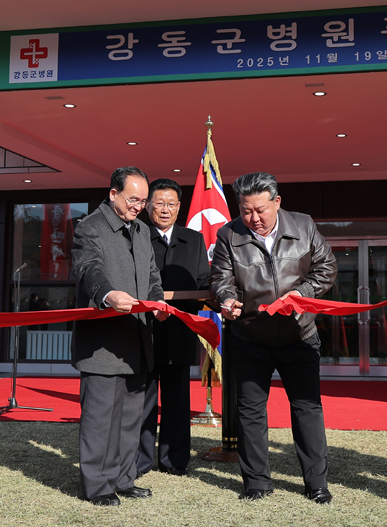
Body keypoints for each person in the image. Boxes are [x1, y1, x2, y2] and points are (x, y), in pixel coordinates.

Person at [210, 172, 337, 503]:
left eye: (261, 210)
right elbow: (220, 278)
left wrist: (301, 295)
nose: (254, 219)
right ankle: (256, 482)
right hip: (250, 336)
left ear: (277, 203)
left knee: (307, 408)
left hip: (300, 334)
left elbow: (326, 268)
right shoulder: (228, 234)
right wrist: (226, 300)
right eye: (246, 210)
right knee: (250, 411)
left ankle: (317, 484)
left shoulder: (304, 225)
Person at [71, 166, 168, 506]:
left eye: (143, 201)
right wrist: (108, 294)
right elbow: (88, 269)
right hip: (103, 343)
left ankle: (124, 478)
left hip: (138, 338)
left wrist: (156, 301)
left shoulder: (142, 230)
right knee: (100, 420)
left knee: (131, 419)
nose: (138, 206)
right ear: (113, 194)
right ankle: (97, 486)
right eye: (132, 199)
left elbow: (152, 274)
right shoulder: (90, 227)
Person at [137, 178, 210, 477]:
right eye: (159, 203)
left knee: (178, 400)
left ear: (179, 207)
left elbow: (204, 280)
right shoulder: (137, 236)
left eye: (171, 204)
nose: (165, 210)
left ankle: (174, 460)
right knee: (143, 399)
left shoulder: (194, 240)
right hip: (143, 331)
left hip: (180, 331)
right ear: (148, 205)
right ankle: (139, 460)